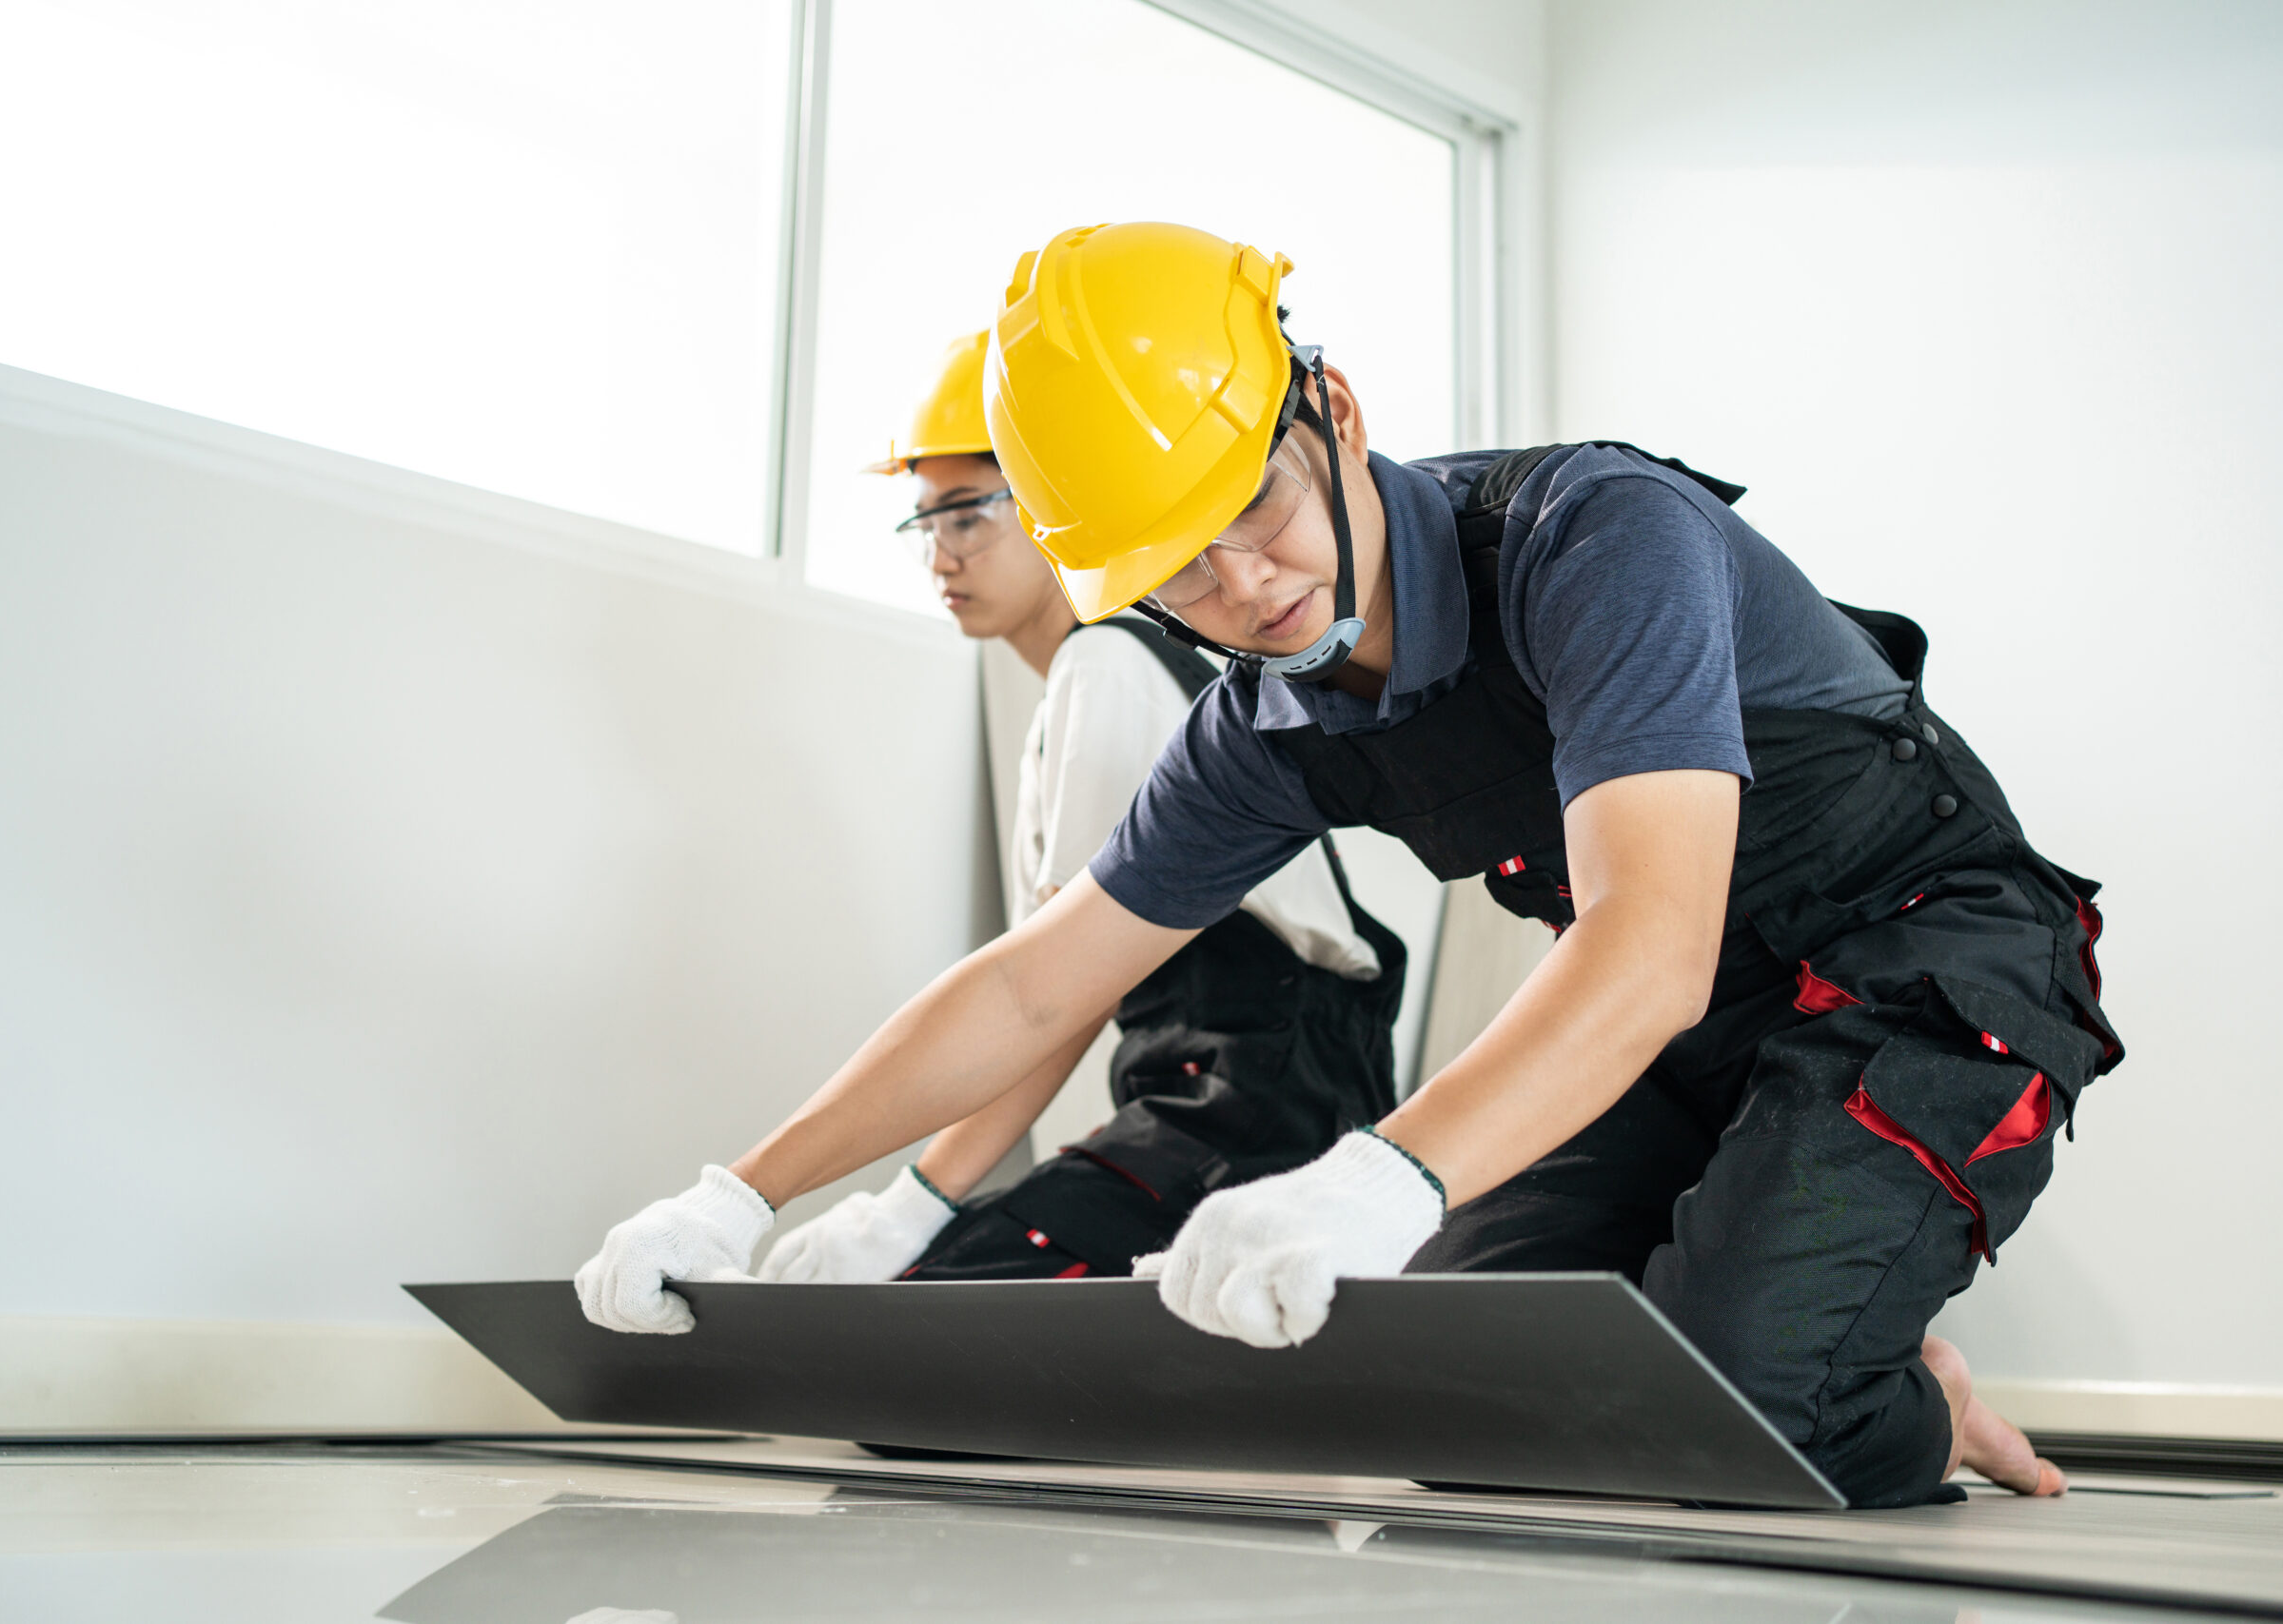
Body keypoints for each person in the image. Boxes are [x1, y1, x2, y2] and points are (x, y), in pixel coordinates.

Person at [575, 224, 2120, 1512]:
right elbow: (1039, 978)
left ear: (1336, 410)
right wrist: (737, 1195)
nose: (1242, 583)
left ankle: (1885, 1389)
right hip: (1693, 1036)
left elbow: (1644, 941)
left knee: (1740, 1404)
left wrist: (1380, 1173)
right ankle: (1830, 1319)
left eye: (1251, 501)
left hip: (1929, 977)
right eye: (1176, 559)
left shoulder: (1599, 538)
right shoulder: (1265, 722)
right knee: (1459, 1399)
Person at [754, 330, 1404, 1287]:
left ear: (1060, 514)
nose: (943, 554)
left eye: (968, 516)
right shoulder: (1088, 682)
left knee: (948, 1324)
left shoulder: (1111, 663)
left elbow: (1055, 993)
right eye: (925, 524)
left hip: (1263, 1110)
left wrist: (910, 1206)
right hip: (1221, 1101)